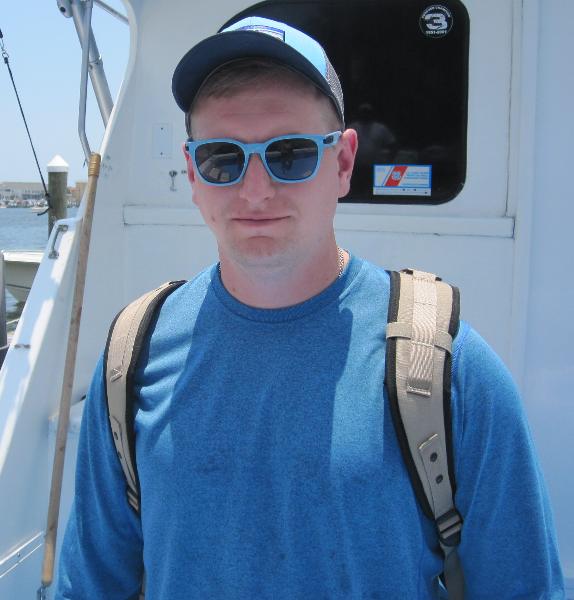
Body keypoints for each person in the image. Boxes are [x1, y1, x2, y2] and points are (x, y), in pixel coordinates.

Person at [57, 16, 565, 600]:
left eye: (291, 154)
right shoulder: (131, 356)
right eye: (223, 158)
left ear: (343, 163)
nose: (254, 190)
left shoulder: (452, 372)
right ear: (194, 172)